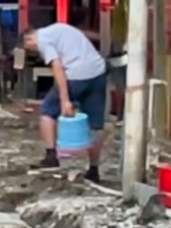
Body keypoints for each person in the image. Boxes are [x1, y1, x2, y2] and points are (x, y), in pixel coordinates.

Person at [22, 22, 108, 181]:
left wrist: (65, 99)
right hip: (98, 72)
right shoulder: (60, 28)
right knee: (96, 124)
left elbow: (57, 67)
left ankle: (51, 157)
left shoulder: (42, 39)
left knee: (47, 110)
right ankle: (94, 169)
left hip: (76, 74)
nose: (36, 53)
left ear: (29, 40)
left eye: (31, 50)